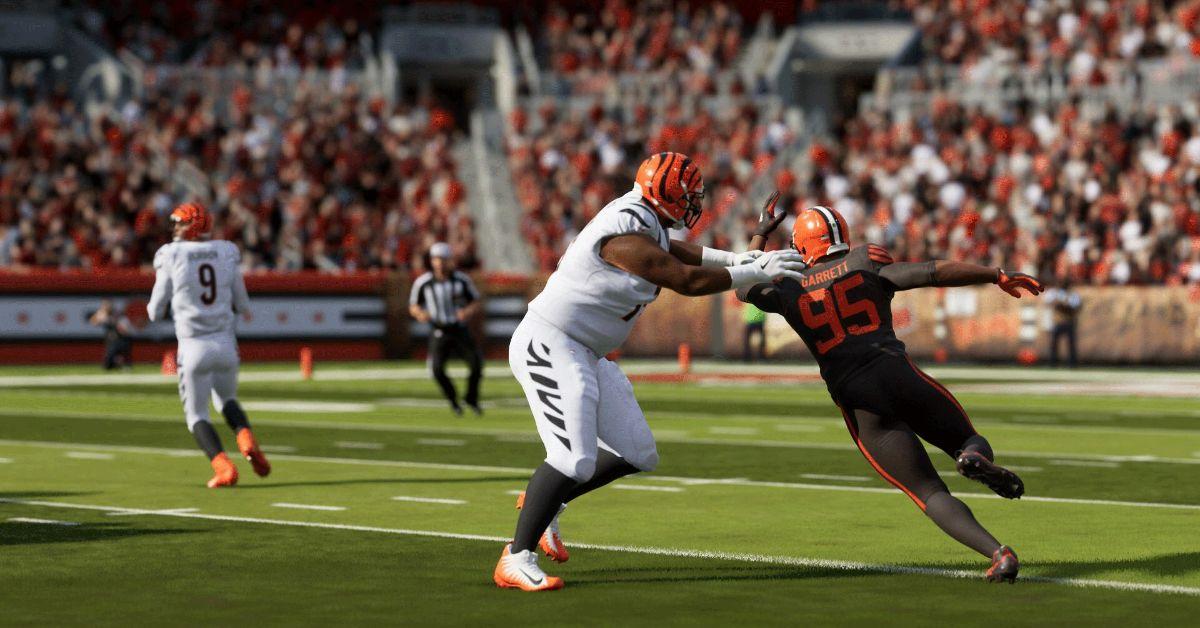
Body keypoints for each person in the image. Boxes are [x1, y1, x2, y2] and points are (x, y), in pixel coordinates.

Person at [493, 155, 804, 592]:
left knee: (637, 452)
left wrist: (742, 255)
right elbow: (684, 279)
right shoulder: (624, 232)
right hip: (552, 342)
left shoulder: (647, 218)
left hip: (587, 350)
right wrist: (753, 270)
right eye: (689, 196)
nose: (694, 203)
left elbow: (678, 248)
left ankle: (546, 501)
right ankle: (515, 557)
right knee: (572, 459)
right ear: (667, 195)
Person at [737, 205, 1043, 583]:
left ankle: (999, 554)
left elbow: (744, 286)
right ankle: (971, 458)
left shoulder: (789, 286)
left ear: (801, 246)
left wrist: (760, 235)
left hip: (857, 398)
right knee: (968, 438)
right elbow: (931, 271)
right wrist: (995, 274)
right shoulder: (865, 260)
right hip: (896, 372)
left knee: (928, 492)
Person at [147, 202, 271, 488]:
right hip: (226, 343)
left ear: (192, 226)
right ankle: (246, 438)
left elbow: (154, 310)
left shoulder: (172, 255)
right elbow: (242, 303)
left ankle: (224, 467)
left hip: (193, 346)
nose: (175, 227)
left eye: (180, 222)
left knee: (196, 415)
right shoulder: (225, 252)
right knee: (226, 400)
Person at [408, 242, 484, 415]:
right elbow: (413, 306)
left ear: (450, 261)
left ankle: (471, 398)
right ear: (432, 261)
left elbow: (476, 301)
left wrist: (467, 311)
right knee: (437, 369)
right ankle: (453, 399)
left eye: (443, 259)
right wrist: (420, 314)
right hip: (439, 330)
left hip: (459, 329)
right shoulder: (424, 282)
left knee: (476, 365)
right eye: (436, 259)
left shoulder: (461, 280)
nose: (439, 263)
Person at [1045, 279, 1082, 367]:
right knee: (1054, 343)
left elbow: (1075, 307)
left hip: (1069, 321)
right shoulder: (1055, 293)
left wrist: (1063, 305)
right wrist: (1062, 304)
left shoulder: (1073, 295)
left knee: (1071, 344)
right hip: (1058, 322)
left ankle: (1072, 363)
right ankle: (1053, 363)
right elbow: (1049, 302)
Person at [90, 299, 133, 370]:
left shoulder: (117, 314)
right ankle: (116, 364)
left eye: (107, 305)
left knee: (122, 352)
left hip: (121, 339)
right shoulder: (102, 314)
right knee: (107, 365)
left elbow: (124, 330)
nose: (106, 307)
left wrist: (112, 321)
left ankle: (124, 363)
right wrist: (99, 317)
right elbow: (93, 322)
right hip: (111, 340)